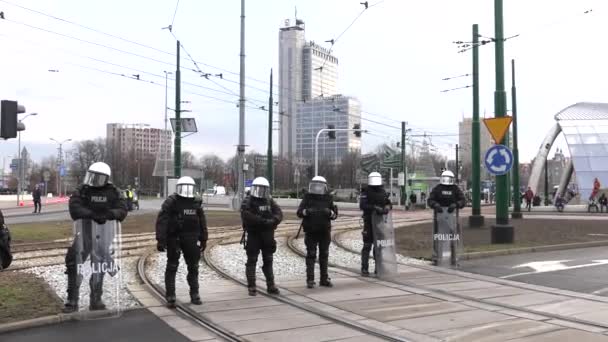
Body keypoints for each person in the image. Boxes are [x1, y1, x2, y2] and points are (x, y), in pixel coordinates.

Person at [63, 162, 128, 313]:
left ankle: (96, 299)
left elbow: (122, 210)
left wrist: (108, 215)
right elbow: (74, 208)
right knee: (73, 261)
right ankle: (72, 300)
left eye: (97, 177)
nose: (92, 180)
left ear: (105, 178)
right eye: (91, 176)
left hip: (105, 233)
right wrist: (92, 215)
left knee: (100, 266)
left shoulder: (113, 192)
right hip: (85, 232)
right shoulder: (83, 190)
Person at [156, 176, 208, 308]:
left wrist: (204, 238)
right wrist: (161, 239)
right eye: (184, 188)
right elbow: (162, 221)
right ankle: (171, 296)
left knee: (193, 267)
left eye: (189, 188)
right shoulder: (171, 201)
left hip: (191, 237)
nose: (186, 191)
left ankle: (195, 293)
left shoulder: (196, 202)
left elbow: (202, 221)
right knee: (172, 266)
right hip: (175, 238)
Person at [241, 177, 283, 296]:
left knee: (268, 260)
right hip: (254, 234)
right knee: (252, 260)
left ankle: (271, 285)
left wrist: (274, 220)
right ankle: (252, 286)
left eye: (263, 189)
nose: (260, 191)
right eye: (258, 189)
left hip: (268, 235)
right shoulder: (248, 200)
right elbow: (246, 214)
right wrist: (262, 221)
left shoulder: (269, 200)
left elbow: (279, 213)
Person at [296, 176, 338, 288]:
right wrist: (307, 212)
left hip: (324, 230)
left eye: (320, 186)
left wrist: (329, 212)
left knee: (324, 255)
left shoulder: (328, 198)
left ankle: (324, 279)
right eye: (316, 186)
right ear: (312, 186)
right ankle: (310, 279)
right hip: (311, 230)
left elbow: (335, 214)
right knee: (311, 254)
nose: (318, 188)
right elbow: (299, 212)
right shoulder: (307, 197)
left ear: (324, 187)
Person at [427, 170, 466, 266]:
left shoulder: (455, 189)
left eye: (449, 178)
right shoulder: (437, 188)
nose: (447, 180)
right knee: (438, 238)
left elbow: (463, 200)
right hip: (439, 218)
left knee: (453, 239)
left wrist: (456, 204)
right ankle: (437, 258)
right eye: (445, 178)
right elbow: (430, 200)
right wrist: (436, 205)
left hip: (452, 218)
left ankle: (454, 258)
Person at [359, 172, 392, 277]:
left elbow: (388, 202)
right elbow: (363, 205)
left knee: (379, 246)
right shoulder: (366, 191)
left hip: (380, 222)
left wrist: (387, 207)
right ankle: (364, 268)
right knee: (367, 245)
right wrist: (374, 207)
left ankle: (379, 267)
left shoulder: (382, 191)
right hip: (369, 221)